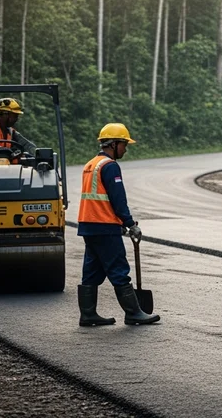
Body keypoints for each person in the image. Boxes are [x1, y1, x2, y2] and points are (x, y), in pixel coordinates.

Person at [77, 123, 160, 326]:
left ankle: (88, 315)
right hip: (104, 226)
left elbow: (99, 199)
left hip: (89, 225)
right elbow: (117, 198)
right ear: (113, 144)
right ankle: (133, 313)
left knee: (92, 271)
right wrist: (130, 223)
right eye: (124, 144)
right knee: (118, 268)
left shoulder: (91, 164)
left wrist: (117, 222)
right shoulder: (109, 166)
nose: (125, 149)